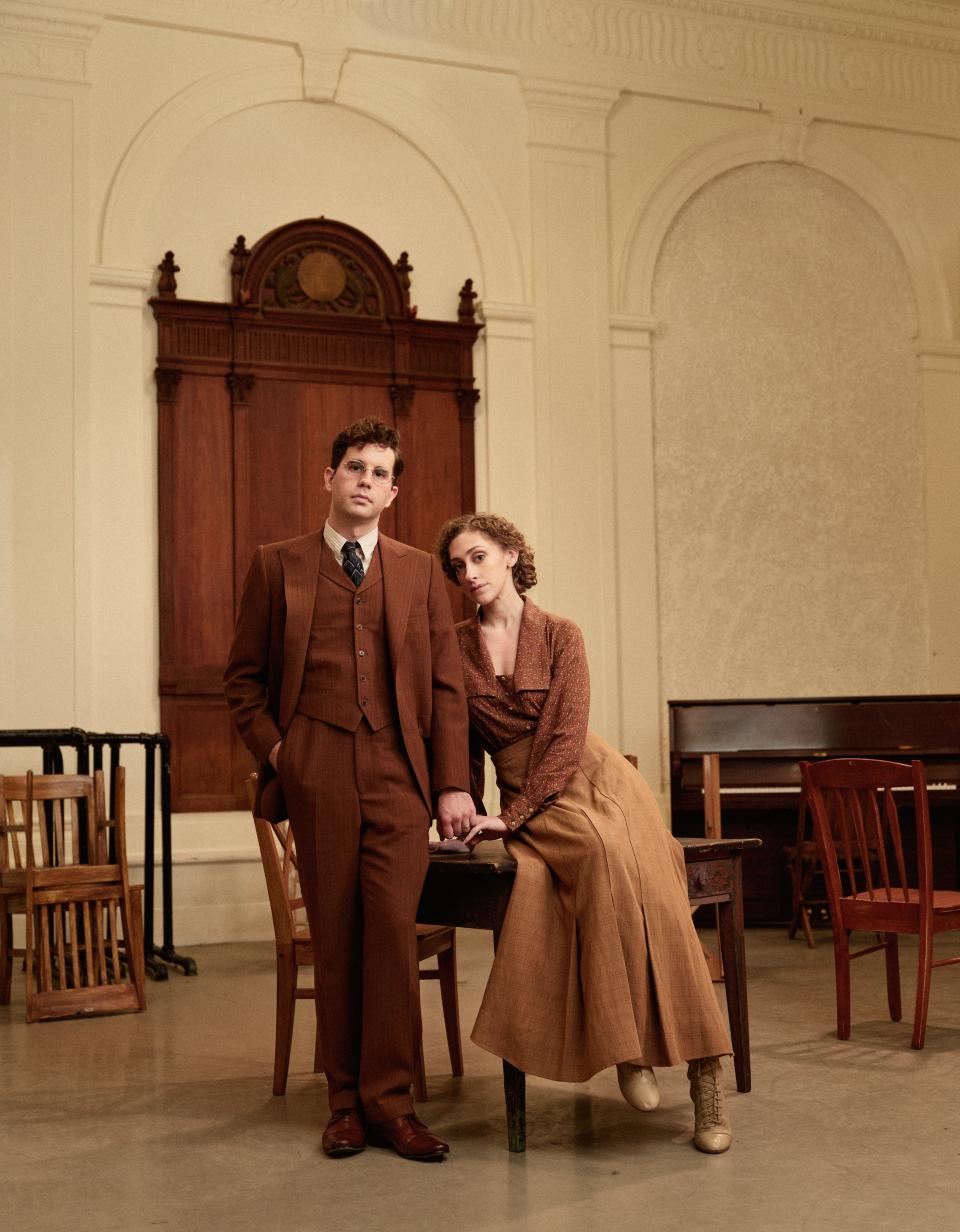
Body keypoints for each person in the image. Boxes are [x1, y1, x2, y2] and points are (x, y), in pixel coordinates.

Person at [435, 512, 734, 1154]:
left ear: (512, 555)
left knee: (658, 897)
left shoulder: (562, 634)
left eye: (479, 557)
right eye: (458, 566)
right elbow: (460, 742)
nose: (469, 574)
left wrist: (512, 818)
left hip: (594, 779)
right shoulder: (452, 646)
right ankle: (629, 1048)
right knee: (598, 862)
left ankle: (707, 1085)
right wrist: (462, 801)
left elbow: (567, 739)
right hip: (530, 798)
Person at [224, 417, 475, 1163]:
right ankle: (343, 1104)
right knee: (334, 936)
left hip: (400, 776)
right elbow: (242, 681)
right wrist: (284, 754)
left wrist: (453, 784)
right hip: (318, 771)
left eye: (379, 473)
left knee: (393, 935)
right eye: (354, 467)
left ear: (393, 493)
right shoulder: (277, 566)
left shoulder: (419, 572)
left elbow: (446, 688)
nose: (365, 480)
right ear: (329, 478)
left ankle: (391, 1104)